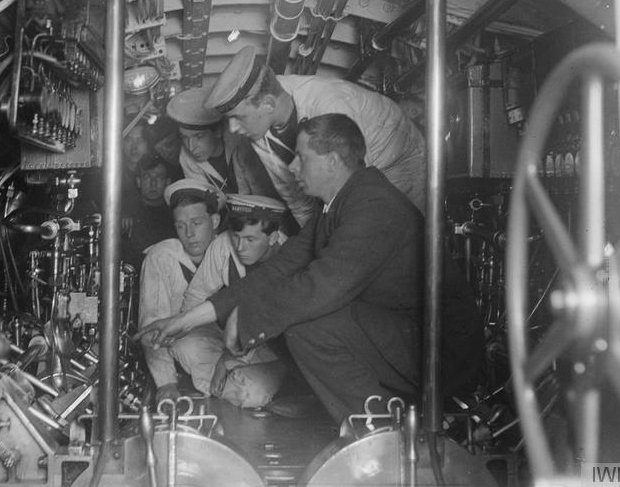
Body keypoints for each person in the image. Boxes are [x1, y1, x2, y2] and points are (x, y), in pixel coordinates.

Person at [135, 113, 482, 424]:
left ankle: (381, 431)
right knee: (291, 318)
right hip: (396, 334)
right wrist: (183, 321)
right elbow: (277, 271)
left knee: (306, 325)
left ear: (331, 161)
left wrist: (249, 319)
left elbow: (322, 286)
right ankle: (369, 416)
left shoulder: (373, 205)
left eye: (302, 158)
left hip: (437, 350)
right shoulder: (337, 207)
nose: (293, 168)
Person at [204, 45, 426, 225]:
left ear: (268, 104)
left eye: (238, 117)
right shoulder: (258, 129)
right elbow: (296, 198)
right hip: (361, 175)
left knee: (394, 234)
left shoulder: (329, 106)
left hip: (397, 160)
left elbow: (355, 193)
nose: (232, 129)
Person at [181, 194, 289, 408]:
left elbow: (267, 327)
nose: (240, 247)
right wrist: (183, 329)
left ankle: (241, 382)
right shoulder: (223, 245)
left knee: (252, 392)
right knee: (184, 345)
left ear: (273, 237)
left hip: (275, 349)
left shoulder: (290, 256)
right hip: (232, 343)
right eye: (236, 237)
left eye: (250, 240)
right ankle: (231, 381)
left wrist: (225, 361)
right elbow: (195, 296)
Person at [137, 179, 226, 405]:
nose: (189, 233)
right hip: (192, 347)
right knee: (185, 345)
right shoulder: (161, 257)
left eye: (197, 222)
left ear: (214, 221)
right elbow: (152, 322)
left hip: (234, 349)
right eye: (180, 226)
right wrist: (166, 382)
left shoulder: (231, 249)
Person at [167, 88, 297, 234]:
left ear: (217, 131)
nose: (190, 147)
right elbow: (206, 204)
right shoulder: (186, 158)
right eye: (184, 137)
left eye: (199, 137)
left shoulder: (244, 141)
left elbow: (265, 196)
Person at [121, 154, 177, 270]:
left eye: (159, 177)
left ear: (167, 182)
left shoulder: (175, 214)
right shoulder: (126, 212)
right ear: (138, 182)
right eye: (147, 177)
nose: (153, 183)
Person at [144, 116, 184, 182]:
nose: (166, 153)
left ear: (179, 138)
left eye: (169, 145)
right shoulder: (165, 172)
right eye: (160, 150)